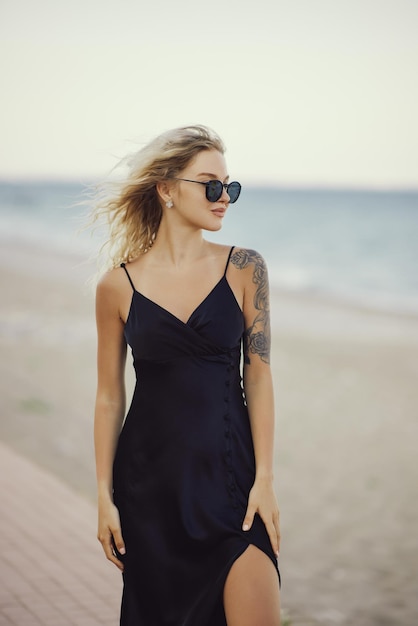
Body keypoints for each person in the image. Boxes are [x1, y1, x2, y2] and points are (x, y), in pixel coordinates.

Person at [93, 124, 281, 626]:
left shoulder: (245, 268)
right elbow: (110, 397)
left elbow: (259, 378)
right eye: (211, 185)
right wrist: (103, 498)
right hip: (151, 491)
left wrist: (264, 479)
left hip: (234, 484)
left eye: (230, 187)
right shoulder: (117, 285)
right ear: (167, 189)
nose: (225, 198)